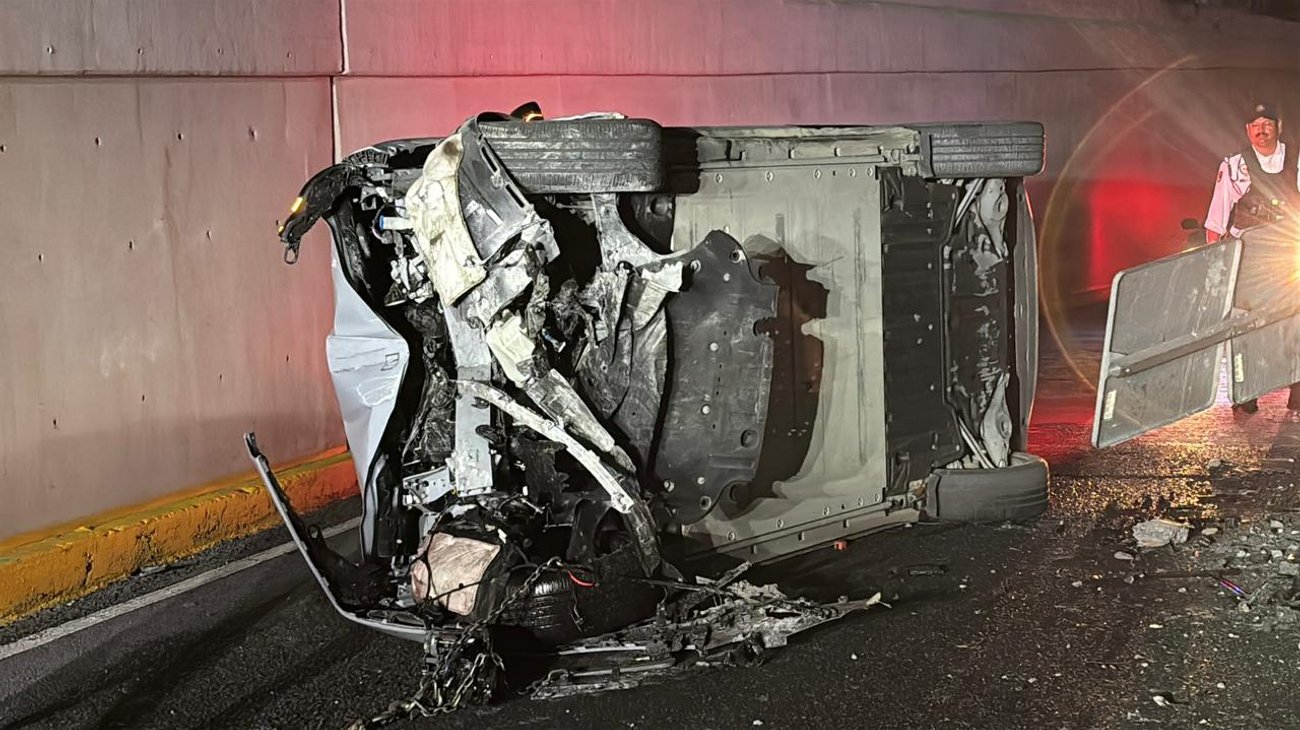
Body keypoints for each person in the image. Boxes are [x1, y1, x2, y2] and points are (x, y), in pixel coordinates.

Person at [1203, 102, 1300, 414]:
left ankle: (1297, 389)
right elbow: (1216, 220)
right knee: (1246, 323)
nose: (1261, 129)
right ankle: (1246, 391)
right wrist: (1215, 266)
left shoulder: (1297, 160)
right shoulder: (1233, 165)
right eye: (1255, 124)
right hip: (1250, 256)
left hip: (1287, 252)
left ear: (1278, 126)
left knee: (1294, 321)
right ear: (1247, 130)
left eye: (1267, 122)